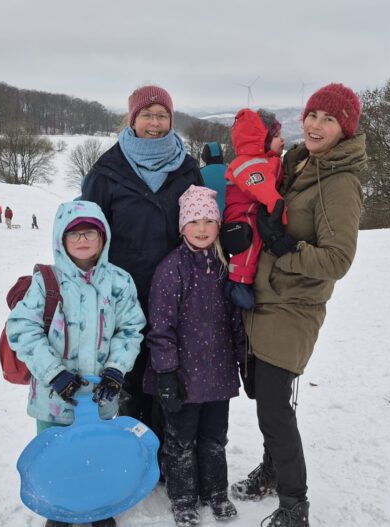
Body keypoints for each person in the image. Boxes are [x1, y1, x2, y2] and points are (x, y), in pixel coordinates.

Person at [230, 84, 365, 527]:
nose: (316, 125)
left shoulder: (340, 182)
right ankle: (272, 470)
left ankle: (294, 506)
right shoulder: (295, 163)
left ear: (345, 130)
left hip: (295, 306)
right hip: (264, 296)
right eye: (313, 115)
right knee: (262, 396)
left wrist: (284, 247)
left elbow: (338, 260)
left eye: (329, 119)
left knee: (274, 408)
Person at [6, 200, 146, 527]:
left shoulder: (119, 281)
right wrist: (54, 374)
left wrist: (116, 369)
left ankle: (99, 506)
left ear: (103, 237)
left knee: (98, 454)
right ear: (61, 238)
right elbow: (22, 328)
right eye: (74, 234)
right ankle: (58, 510)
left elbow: (130, 328)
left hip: (100, 396)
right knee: (56, 458)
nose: (82, 239)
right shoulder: (46, 282)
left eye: (90, 233)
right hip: (53, 400)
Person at [81, 84, 205, 440]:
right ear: (132, 119)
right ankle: (128, 448)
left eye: (162, 115)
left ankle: (165, 452)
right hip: (122, 295)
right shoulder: (107, 171)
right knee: (128, 377)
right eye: (147, 115)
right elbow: (87, 233)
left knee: (169, 376)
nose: (154, 122)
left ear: (171, 120)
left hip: (177, 294)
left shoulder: (187, 169)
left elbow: (200, 225)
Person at [144, 185, 244, 526]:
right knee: (181, 440)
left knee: (215, 437)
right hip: (183, 376)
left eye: (208, 221)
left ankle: (216, 491)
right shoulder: (171, 268)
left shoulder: (225, 266)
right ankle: (183, 496)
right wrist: (166, 372)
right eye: (194, 221)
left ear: (218, 225)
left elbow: (236, 320)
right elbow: (160, 326)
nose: (202, 228)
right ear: (182, 226)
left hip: (218, 373)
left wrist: (244, 360)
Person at [222, 109, 286, 310]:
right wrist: (281, 216)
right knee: (250, 240)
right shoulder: (249, 163)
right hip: (242, 213)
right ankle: (238, 283)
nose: (282, 139)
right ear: (262, 140)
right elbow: (265, 191)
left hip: (251, 209)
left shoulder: (265, 160)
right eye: (276, 136)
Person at [199, 142, 227, 218]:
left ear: (205, 156)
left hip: (208, 218)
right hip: (230, 218)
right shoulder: (231, 172)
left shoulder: (199, 173)